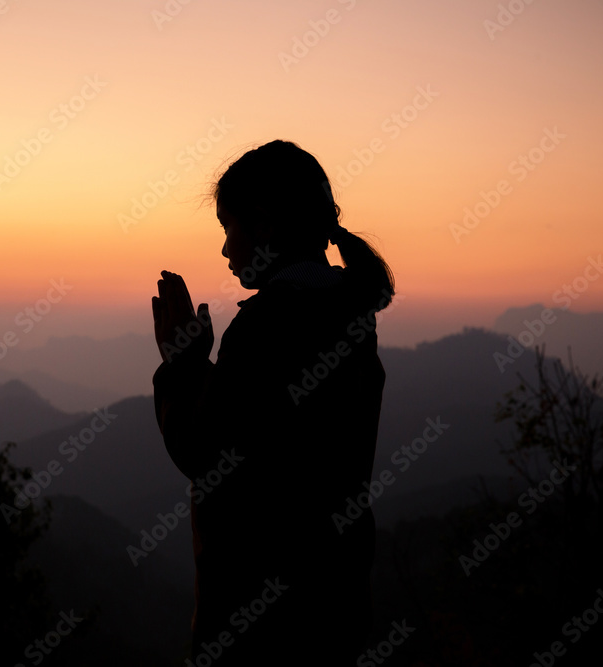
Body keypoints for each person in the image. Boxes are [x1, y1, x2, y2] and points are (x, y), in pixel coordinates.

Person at [151, 140, 394, 664]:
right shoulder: (349, 315)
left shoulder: (267, 325)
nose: (224, 250)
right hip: (333, 608)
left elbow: (209, 455)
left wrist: (183, 365)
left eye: (227, 228)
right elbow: (270, 427)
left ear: (262, 225)